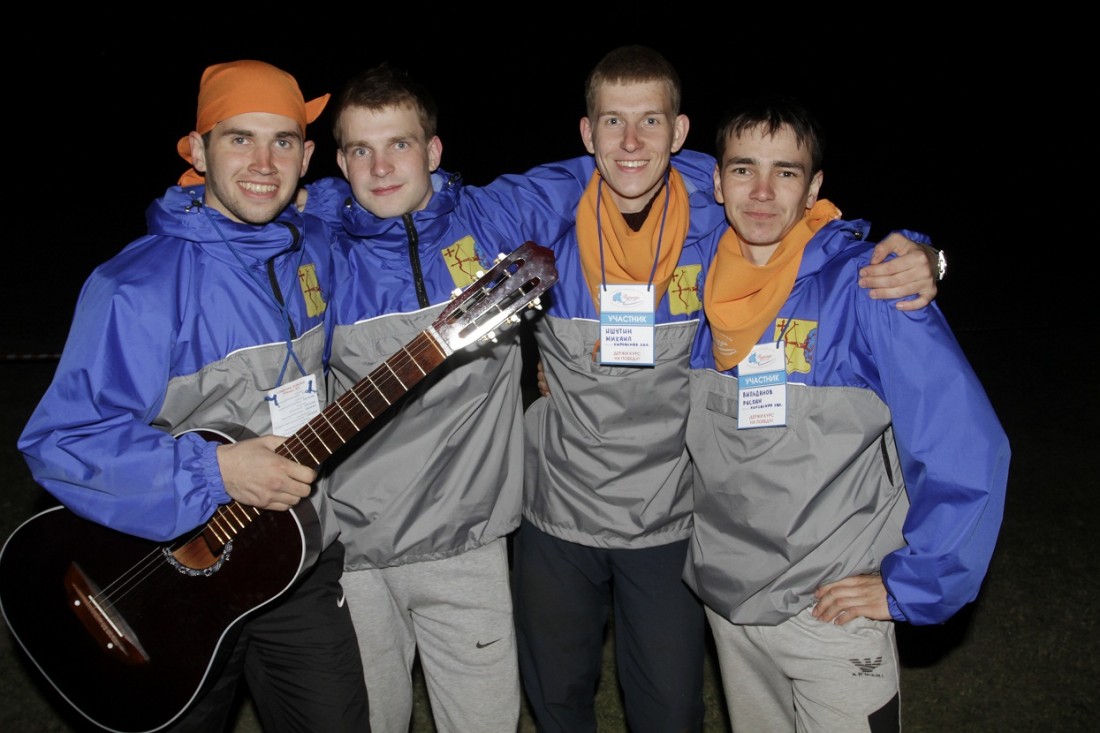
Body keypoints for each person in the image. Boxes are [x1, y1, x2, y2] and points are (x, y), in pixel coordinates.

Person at [512, 45, 941, 733]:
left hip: (669, 519)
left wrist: (924, 254)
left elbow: (820, 234)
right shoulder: (546, 220)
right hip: (557, 513)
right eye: (614, 122)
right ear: (588, 132)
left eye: (651, 122)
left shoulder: (717, 218)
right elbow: (446, 225)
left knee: (670, 709)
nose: (632, 142)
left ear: (679, 133)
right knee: (558, 699)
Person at [17, 60, 370, 732]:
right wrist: (215, 470)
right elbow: (62, 442)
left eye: (283, 142)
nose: (263, 163)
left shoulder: (314, 250)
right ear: (197, 151)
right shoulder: (136, 288)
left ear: (306, 159)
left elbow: (360, 201)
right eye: (239, 139)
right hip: (172, 577)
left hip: (295, 560)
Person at [681, 94, 1009, 732]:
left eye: (786, 172)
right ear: (717, 183)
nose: (762, 192)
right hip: (730, 606)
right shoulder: (695, 281)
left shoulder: (869, 286)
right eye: (744, 169)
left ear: (814, 189)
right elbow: (632, 164)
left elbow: (964, 444)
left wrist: (913, 586)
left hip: (830, 613)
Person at [303, 63, 595, 733]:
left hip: (468, 543)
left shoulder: (492, 218)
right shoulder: (318, 252)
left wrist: (794, 212)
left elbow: (625, 157)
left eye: (399, 144)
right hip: (357, 553)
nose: (380, 167)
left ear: (433, 150)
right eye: (360, 150)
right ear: (340, 164)